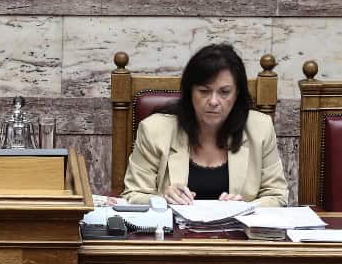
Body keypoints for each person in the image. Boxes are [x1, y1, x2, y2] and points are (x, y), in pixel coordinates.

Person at [121, 43, 288, 207]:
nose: (213, 101)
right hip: (173, 225)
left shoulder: (260, 128)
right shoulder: (154, 130)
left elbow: (277, 196)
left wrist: (244, 208)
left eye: (224, 92)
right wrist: (163, 199)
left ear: (237, 93)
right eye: (204, 91)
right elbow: (133, 195)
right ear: (190, 92)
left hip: (238, 226)